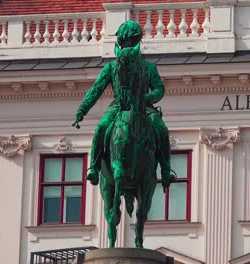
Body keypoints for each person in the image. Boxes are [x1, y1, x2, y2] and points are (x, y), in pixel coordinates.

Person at [73, 20, 174, 188]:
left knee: (162, 129)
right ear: (120, 43)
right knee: (101, 128)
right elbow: (96, 89)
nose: (129, 44)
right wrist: (82, 110)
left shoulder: (148, 68)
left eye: (132, 41)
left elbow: (159, 89)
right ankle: (94, 168)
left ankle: (165, 171)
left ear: (137, 42)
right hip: (118, 107)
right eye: (126, 41)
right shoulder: (111, 67)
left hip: (144, 109)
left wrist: (146, 99)